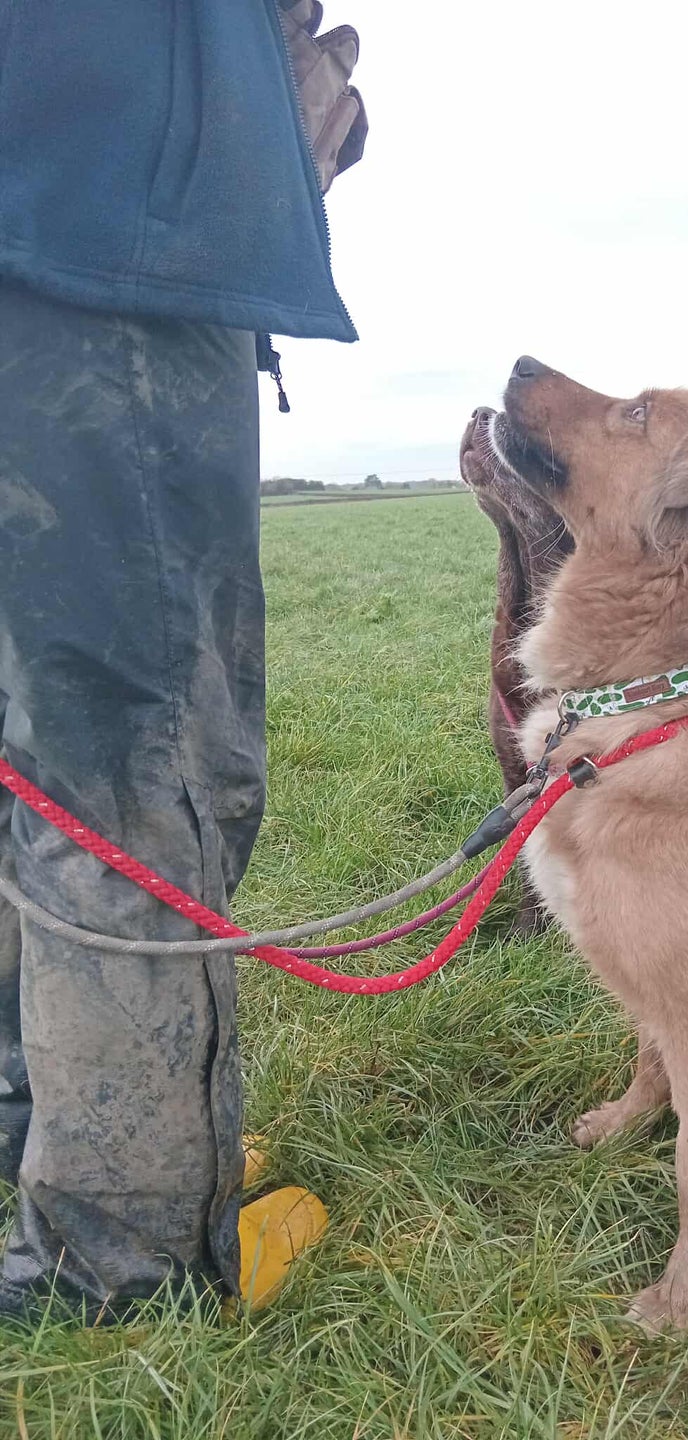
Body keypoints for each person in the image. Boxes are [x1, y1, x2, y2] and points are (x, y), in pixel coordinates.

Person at [0, 0, 366, 1322]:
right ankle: (128, 1253)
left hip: (61, 217)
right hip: (94, 236)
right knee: (133, 770)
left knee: (32, 754)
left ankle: (49, 1134)